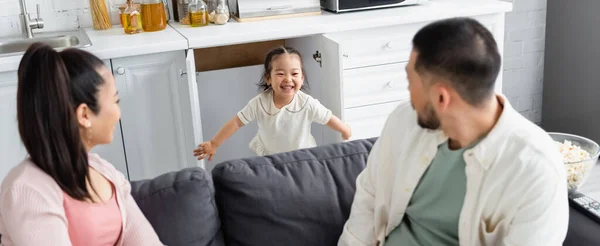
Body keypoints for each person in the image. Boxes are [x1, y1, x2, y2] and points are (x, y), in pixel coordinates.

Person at [338, 17, 568, 246]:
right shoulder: (403, 120)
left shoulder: (535, 170)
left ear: (441, 98)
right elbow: (369, 197)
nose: (409, 93)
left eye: (410, 82)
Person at [0, 43, 163, 246]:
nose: (118, 113)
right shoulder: (27, 190)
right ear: (84, 114)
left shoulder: (105, 172)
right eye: (115, 101)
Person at [194, 46, 352, 160]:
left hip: (302, 157)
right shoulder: (260, 103)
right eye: (280, 74)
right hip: (270, 157)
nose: (288, 79)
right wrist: (214, 143)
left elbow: (328, 118)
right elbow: (236, 122)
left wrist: (345, 130)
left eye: (295, 73)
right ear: (268, 78)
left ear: (302, 78)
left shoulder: (307, 103)